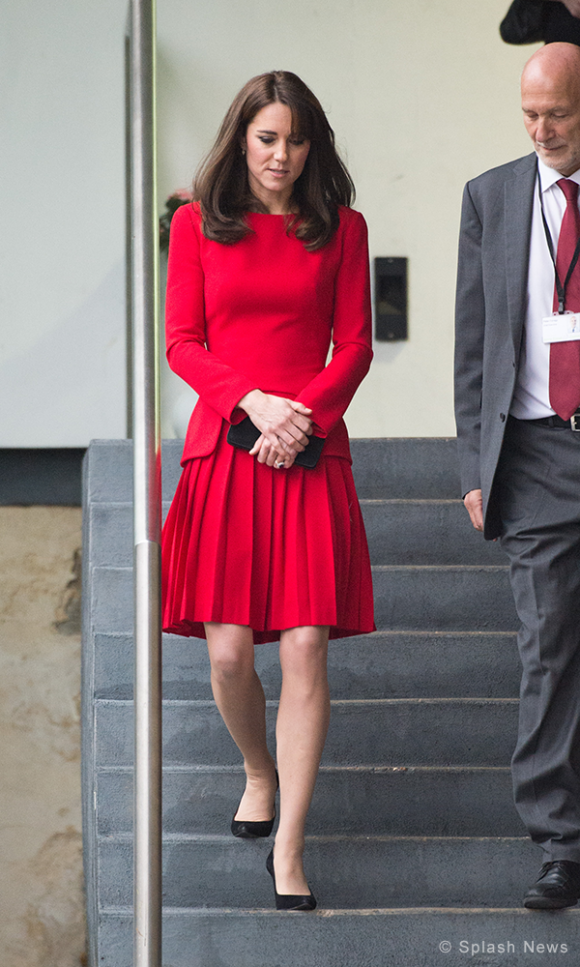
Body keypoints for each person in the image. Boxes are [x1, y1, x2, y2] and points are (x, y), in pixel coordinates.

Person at [161, 70, 374, 911]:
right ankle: (258, 769)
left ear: (312, 144)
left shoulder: (344, 230)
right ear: (240, 140)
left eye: (295, 139)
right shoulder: (195, 226)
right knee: (227, 650)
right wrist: (251, 405)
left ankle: (289, 849)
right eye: (266, 139)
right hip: (226, 445)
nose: (281, 155)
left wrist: (302, 421)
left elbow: (352, 347)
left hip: (311, 454)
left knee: (305, 646)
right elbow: (182, 342)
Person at [455, 42, 580, 909]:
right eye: (529, 115)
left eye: (559, 115)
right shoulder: (492, 197)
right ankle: (561, 844)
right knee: (548, 648)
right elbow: (472, 343)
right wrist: (474, 461)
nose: (541, 130)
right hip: (532, 452)